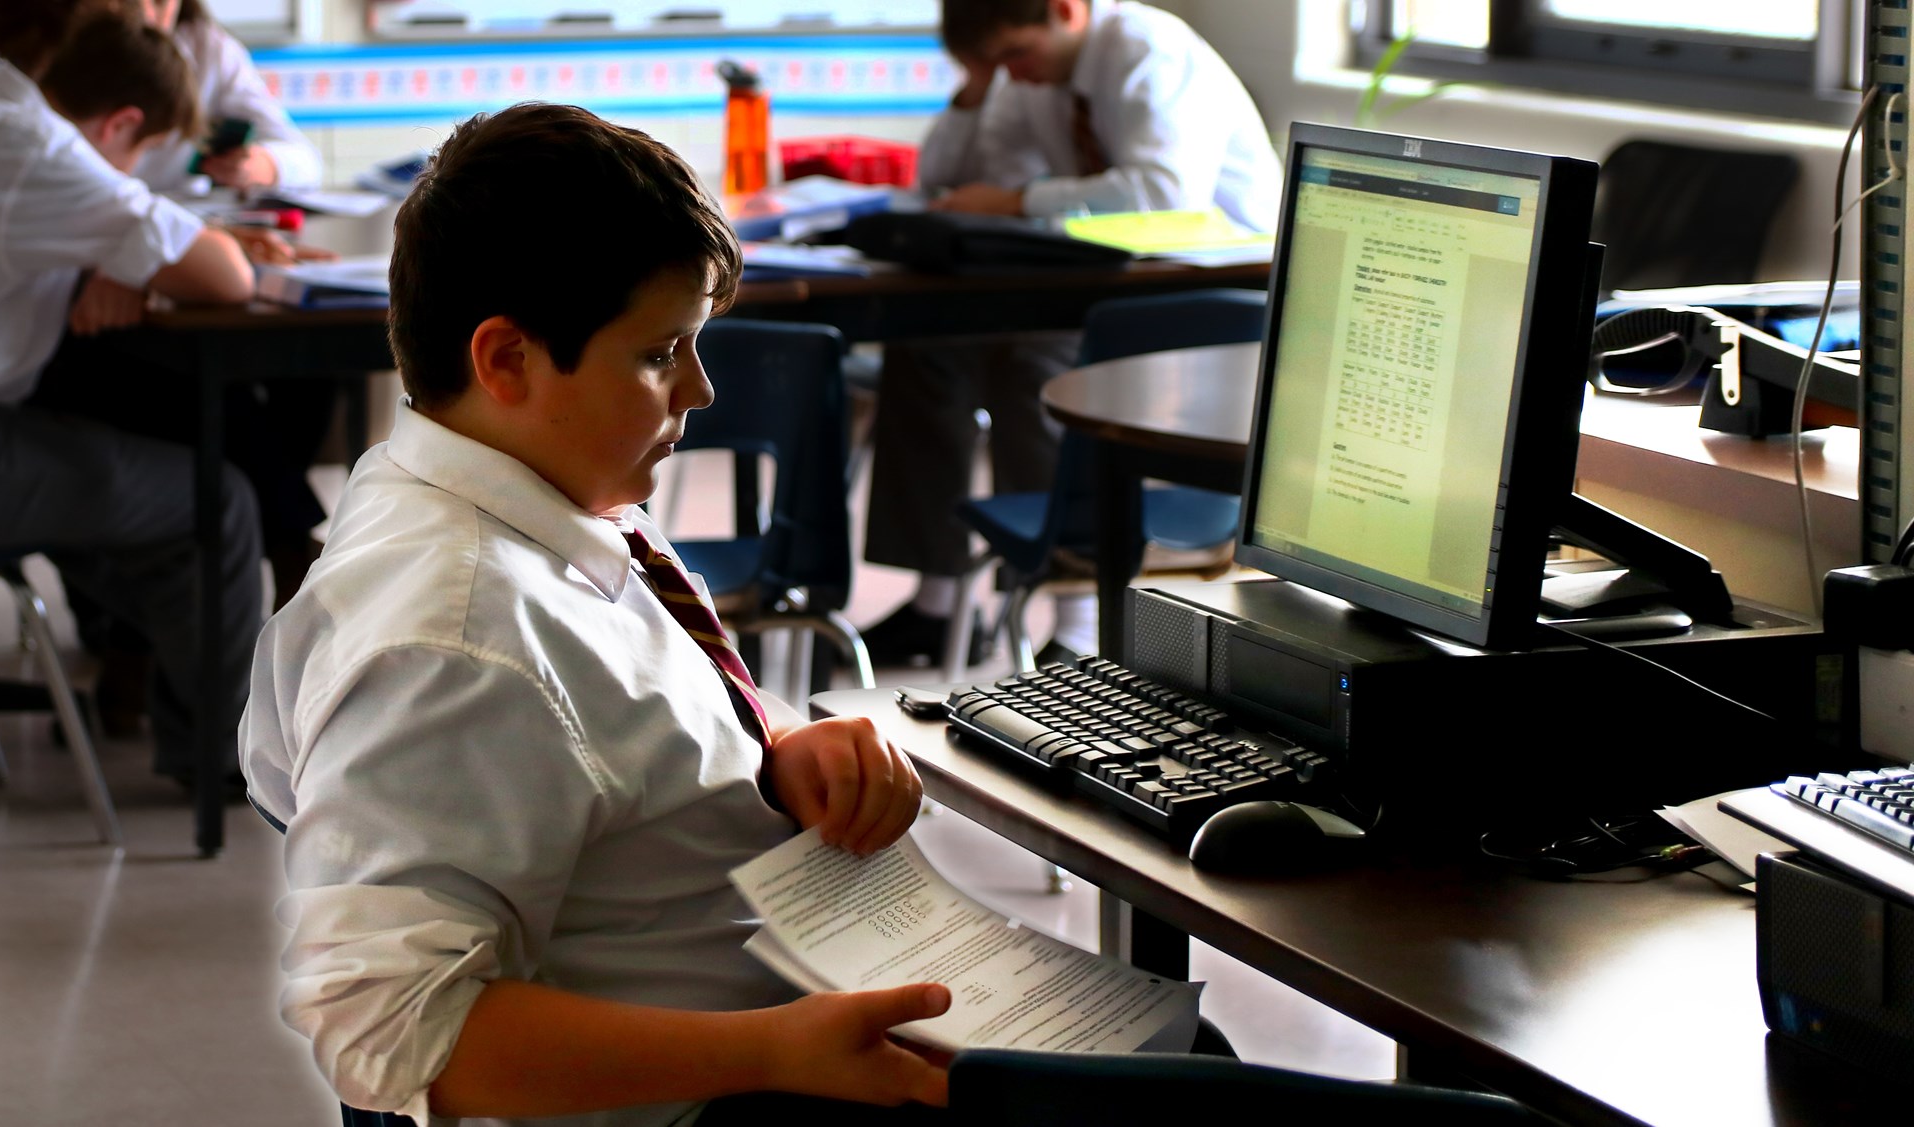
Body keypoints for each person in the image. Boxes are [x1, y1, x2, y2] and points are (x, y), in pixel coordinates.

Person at [240, 102, 953, 1126]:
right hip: (713, 1093)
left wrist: (779, 749)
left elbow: (610, 738)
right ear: (508, 360)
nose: (700, 390)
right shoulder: (451, 633)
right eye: (662, 353)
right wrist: (774, 1051)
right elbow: (392, 1033)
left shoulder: (543, 489)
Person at [861, 0, 1279, 665]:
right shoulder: (1030, 78)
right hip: (1103, 281)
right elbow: (953, 181)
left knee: (1043, 363)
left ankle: (1082, 611)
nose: (1011, 76)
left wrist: (1023, 201)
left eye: (1014, 55)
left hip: (1206, 285)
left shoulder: (1149, 52)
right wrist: (974, 90)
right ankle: (936, 601)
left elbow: (1168, 195)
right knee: (927, 350)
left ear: (1066, 10)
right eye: (992, 64)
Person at [0, 0, 264, 787]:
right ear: (120, 126)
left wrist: (118, 250)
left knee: (132, 479)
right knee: (215, 504)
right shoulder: (32, 142)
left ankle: (135, 689)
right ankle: (222, 763)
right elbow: (226, 274)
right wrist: (127, 247)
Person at [134, 0, 320, 194]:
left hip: (182, 211)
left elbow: (307, 162)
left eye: (159, 2)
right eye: (126, 2)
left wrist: (262, 164)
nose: (145, 16)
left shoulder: (209, 50)